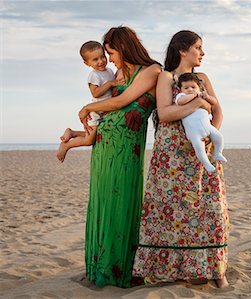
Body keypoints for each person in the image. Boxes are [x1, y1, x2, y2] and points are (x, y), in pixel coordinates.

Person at [133, 30, 230, 288]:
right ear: (182, 50)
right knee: (173, 209)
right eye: (198, 47)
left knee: (209, 206)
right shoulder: (166, 77)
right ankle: (175, 268)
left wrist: (213, 132)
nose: (202, 52)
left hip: (201, 148)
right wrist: (198, 104)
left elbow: (218, 109)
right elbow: (165, 113)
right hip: (172, 153)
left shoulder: (203, 78)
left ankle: (217, 270)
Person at [78, 26, 161, 288]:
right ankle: (99, 268)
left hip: (127, 148)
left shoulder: (152, 71)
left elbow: (120, 101)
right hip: (105, 143)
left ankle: (122, 269)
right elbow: (108, 97)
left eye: (111, 53)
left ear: (124, 48)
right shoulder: (119, 72)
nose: (109, 59)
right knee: (102, 201)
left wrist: (88, 107)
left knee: (123, 202)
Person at [56, 41, 125, 162]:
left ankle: (72, 133)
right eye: (95, 59)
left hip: (107, 109)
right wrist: (110, 84)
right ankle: (66, 145)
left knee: (97, 133)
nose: (101, 61)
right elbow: (96, 93)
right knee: (89, 140)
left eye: (102, 56)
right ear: (86, 63)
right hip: (97, 110)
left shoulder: (109, 71)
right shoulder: (94, 75)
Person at [175, 72, 227, 172]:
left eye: (193, 87)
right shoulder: (181, 96)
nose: (190, 89)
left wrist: (206, 97)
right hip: (193, 131)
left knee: (219, 137)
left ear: (199, 87)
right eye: (186, 88)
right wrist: (194, 95)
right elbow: (181, 102)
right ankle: (206, 163)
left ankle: (218, 153)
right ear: (181, 89)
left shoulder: (202, 95)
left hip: (208, 126)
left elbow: (214, 102)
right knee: (199, 147)